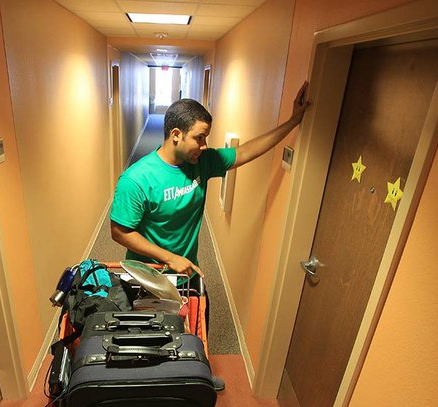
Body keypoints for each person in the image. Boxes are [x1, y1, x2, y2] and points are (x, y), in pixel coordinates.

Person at [109, 82, 311, 391]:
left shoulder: (201, 162)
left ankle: (196, 378)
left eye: (206, 139)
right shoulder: (137, 178)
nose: (204, 146)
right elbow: (120, 232)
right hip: (147, 276)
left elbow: (245, 152)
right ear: (176, 134)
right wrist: (169, 257)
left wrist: (293, 121)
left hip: (188, 271)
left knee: (197, 327)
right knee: (152, 338)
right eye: (199, 138)